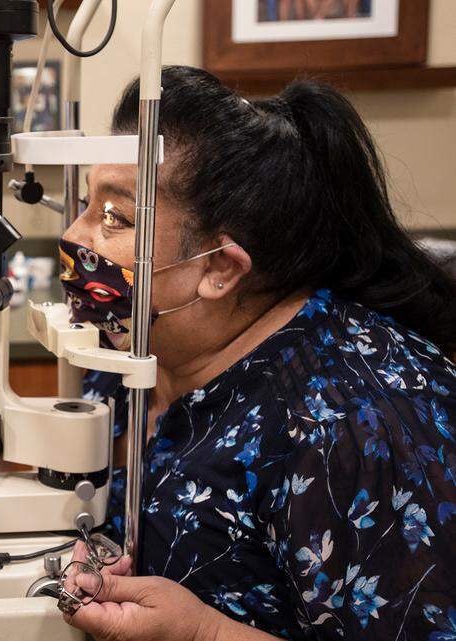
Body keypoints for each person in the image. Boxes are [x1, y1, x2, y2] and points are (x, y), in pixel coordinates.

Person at [57, 66, 456, 640]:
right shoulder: (133, 347)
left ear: (220, 268)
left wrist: (203, 635)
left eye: (115, 218)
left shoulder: (353, 429)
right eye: (85, 203)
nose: (75, 237)